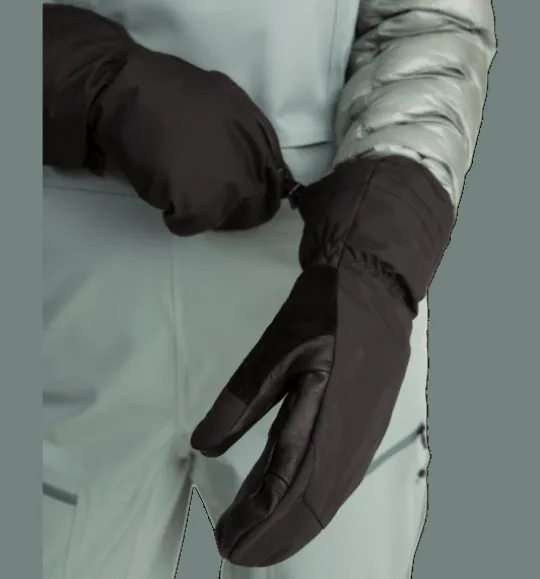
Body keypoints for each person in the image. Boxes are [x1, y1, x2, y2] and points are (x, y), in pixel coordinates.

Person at [42, 1, 496, 578]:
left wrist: (375, 258)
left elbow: (430, 19)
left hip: (319, 285)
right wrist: (89, 76)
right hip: (67, 290)